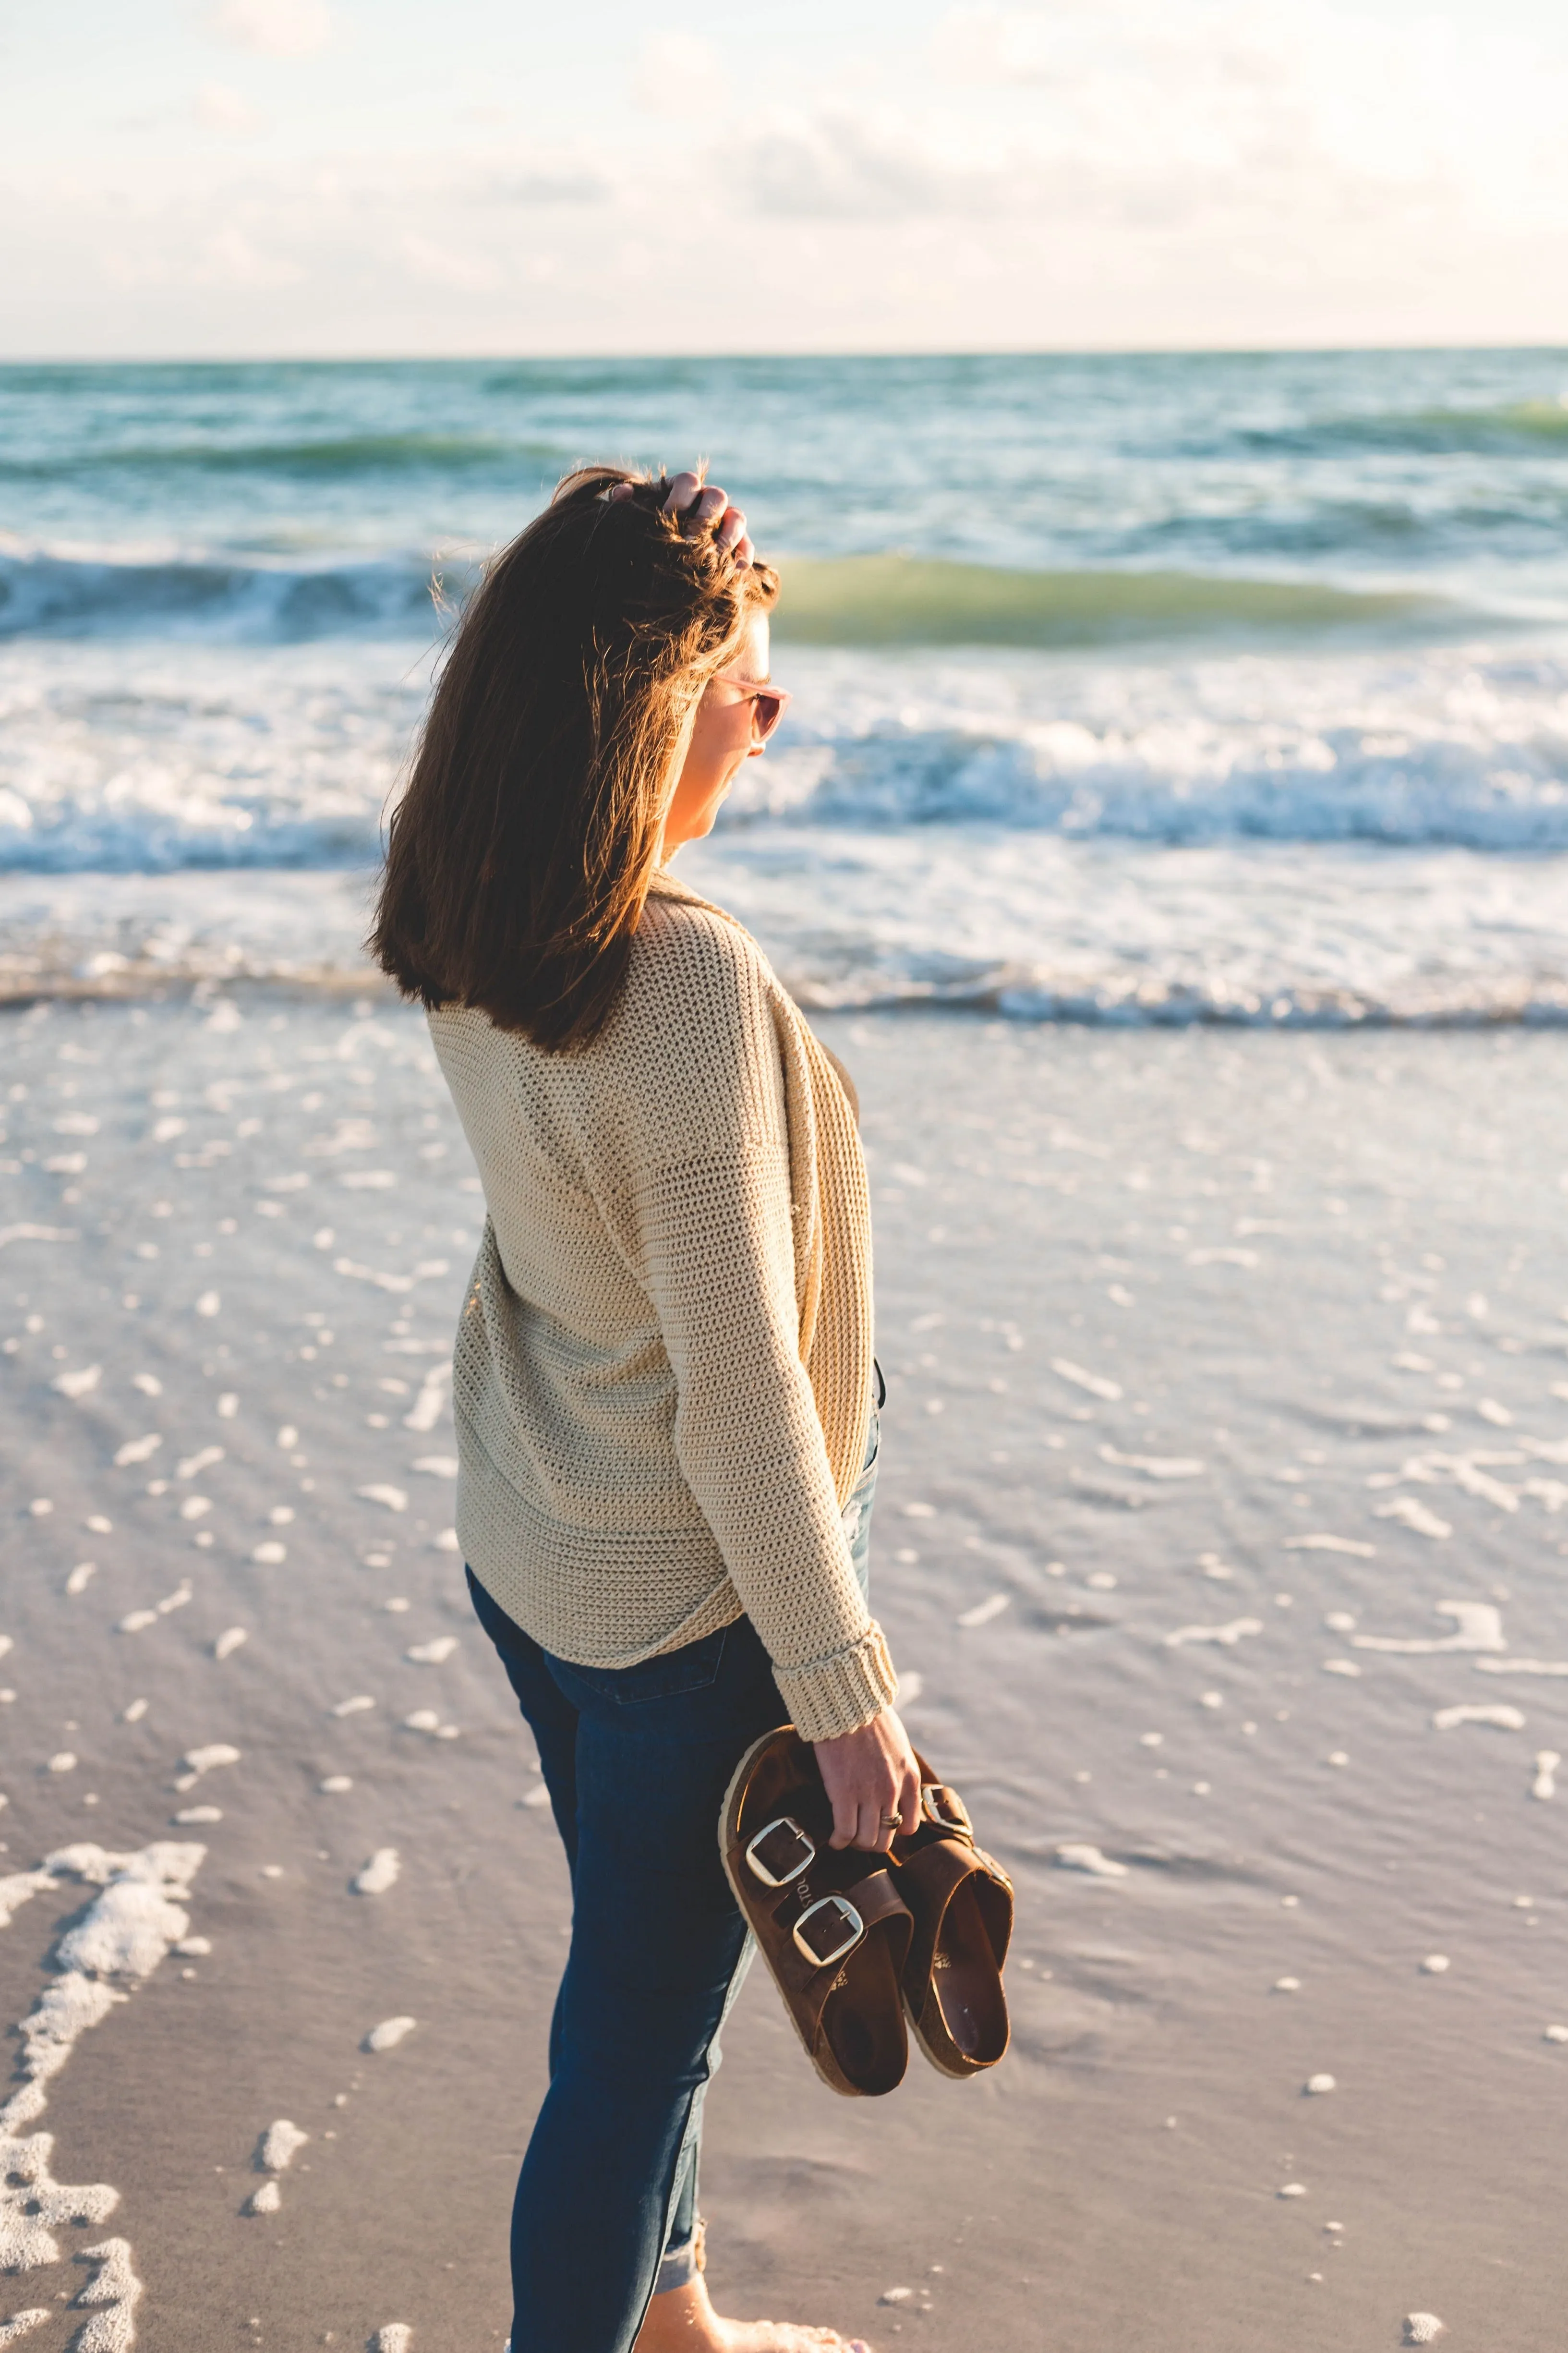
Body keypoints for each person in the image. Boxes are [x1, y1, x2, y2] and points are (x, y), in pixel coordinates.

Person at [372, 465, 918, 2353]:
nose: (775, 725)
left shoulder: (476, 910)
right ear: (645, 702)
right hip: (685, 1615)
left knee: (633, 1996)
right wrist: (850, 1700)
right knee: (629, 2050)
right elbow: (745, 1394)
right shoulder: (680, 977)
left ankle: (670, 2316)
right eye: (749, 688)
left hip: (531, 1539)